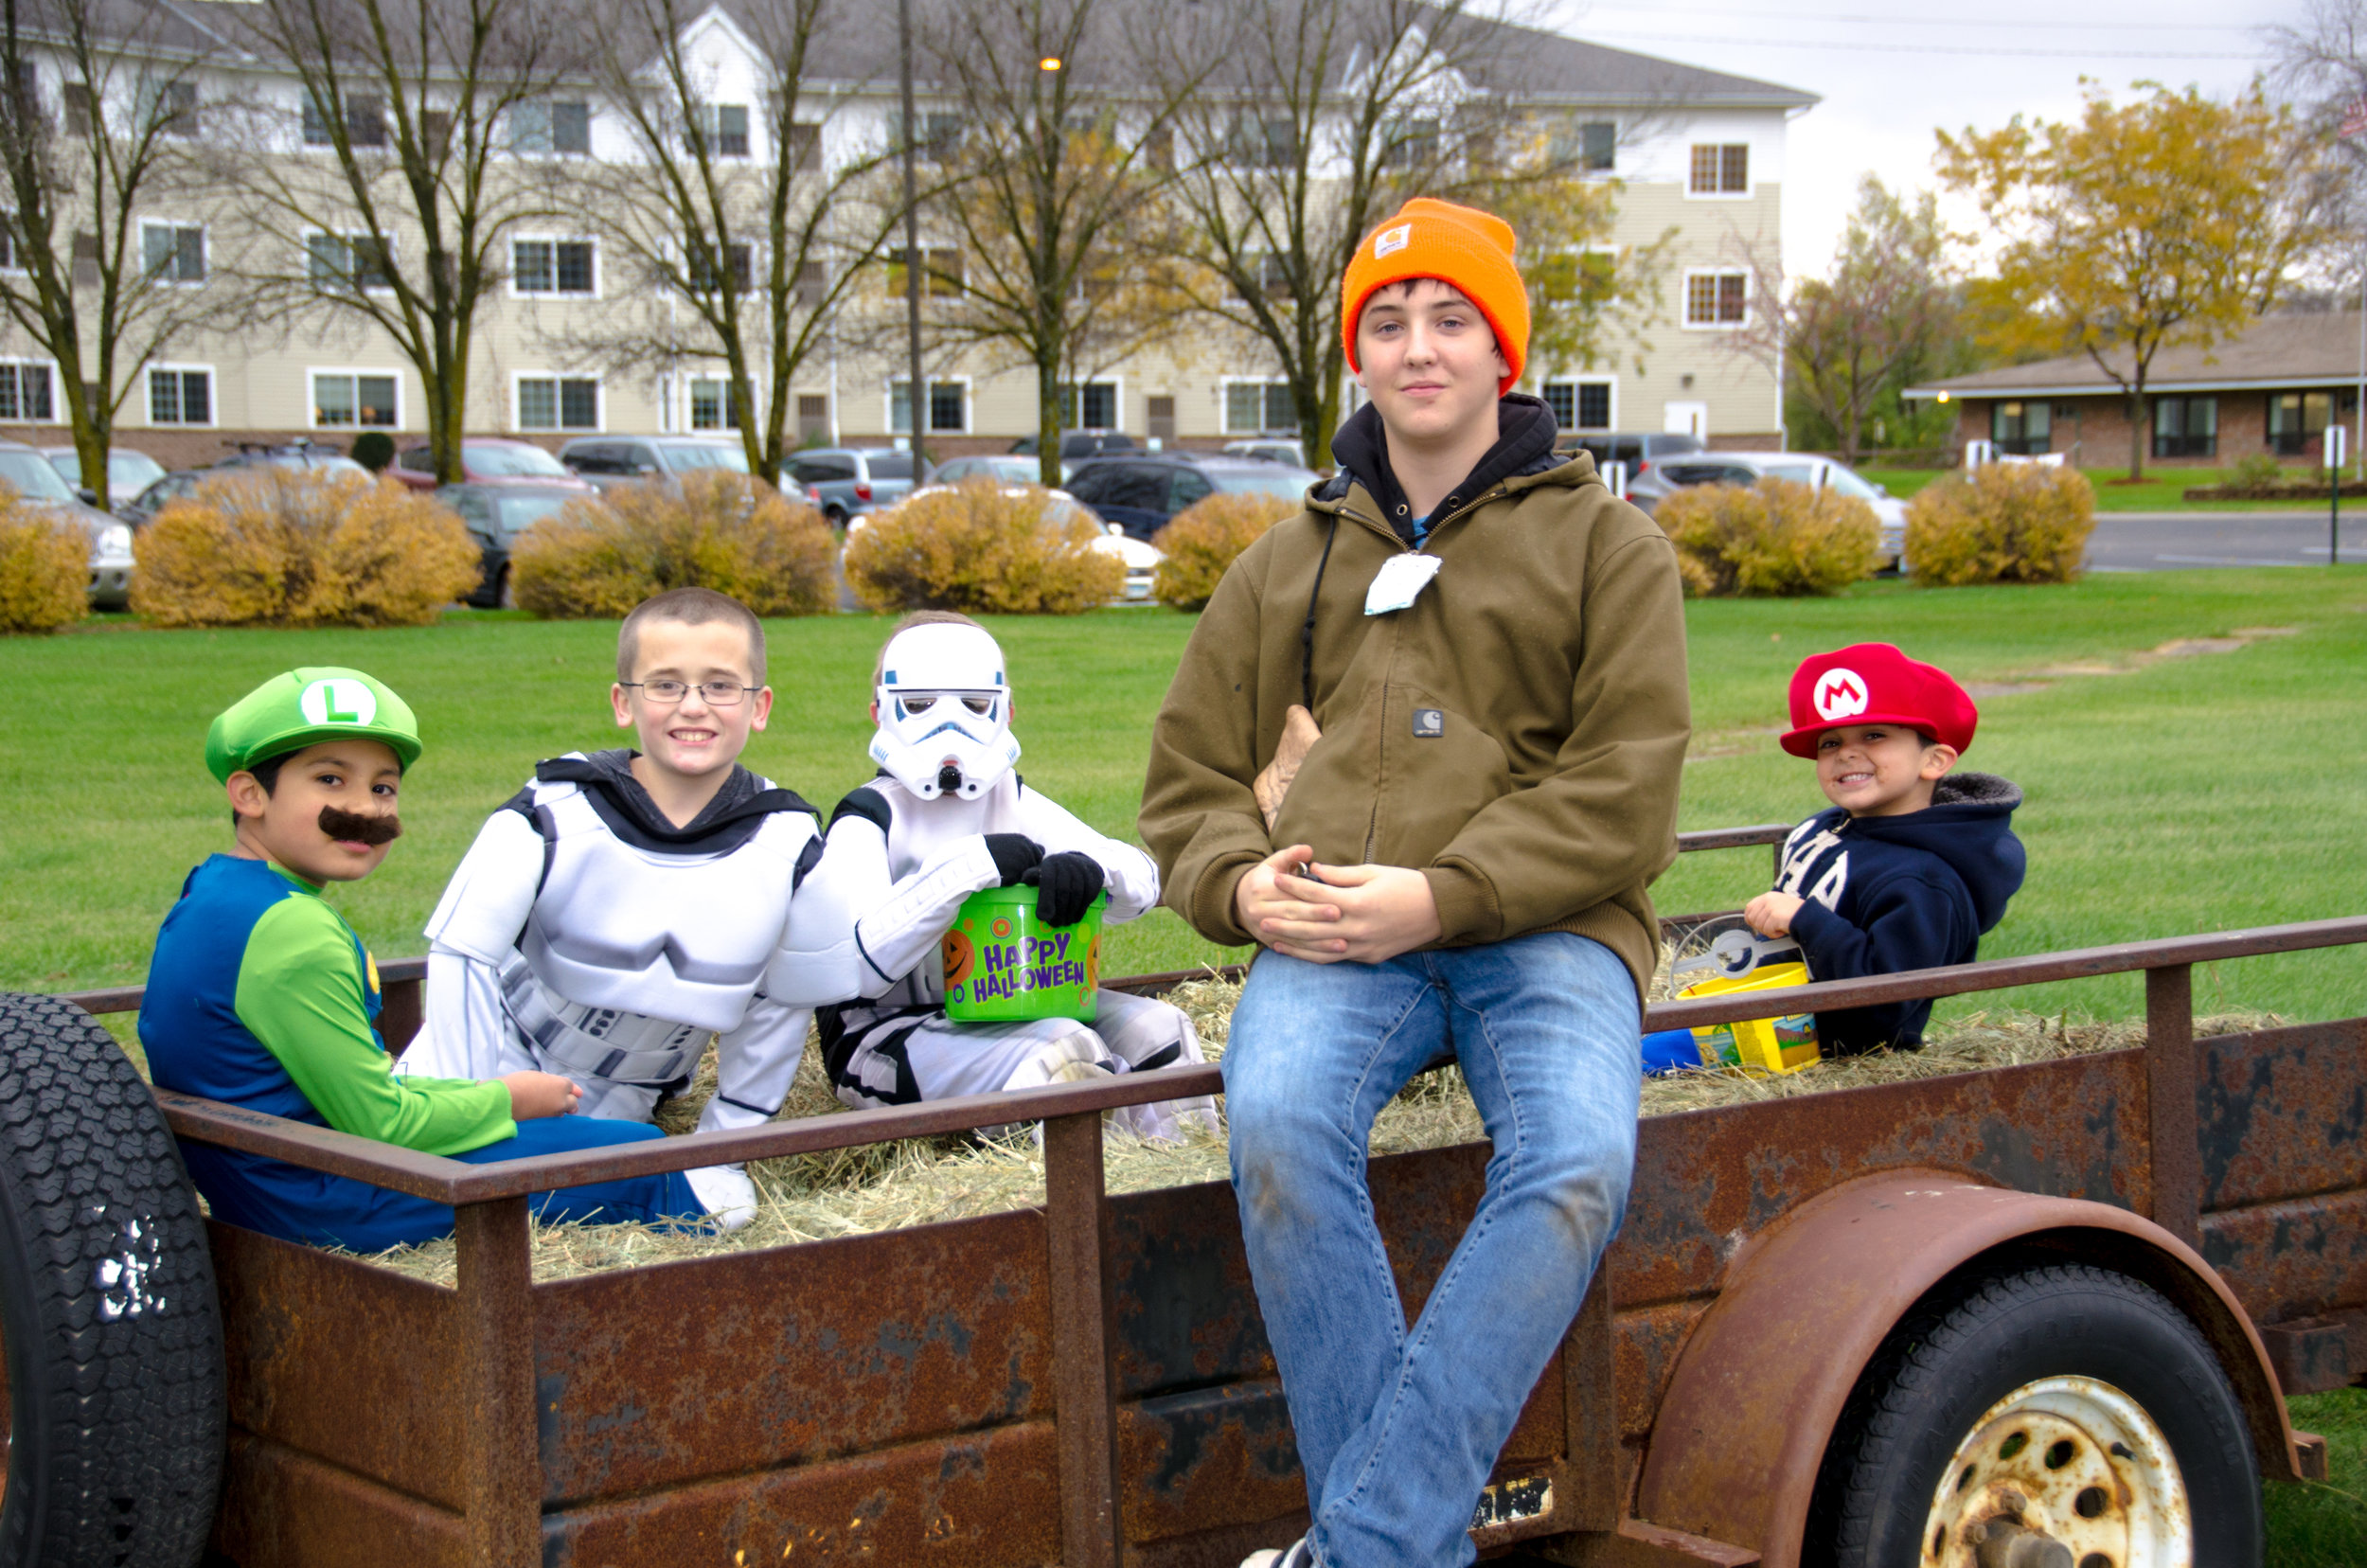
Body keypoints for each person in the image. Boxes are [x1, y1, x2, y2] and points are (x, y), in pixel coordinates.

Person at [1138, 198, 1690, 1568]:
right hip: (1334, 930)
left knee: (1573, 1164)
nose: (1419, 346)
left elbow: (1628, 789)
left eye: (1452, 318)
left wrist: (1443, 896)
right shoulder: (1286, 565)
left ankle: (1368, 1547)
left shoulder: (1605, 548)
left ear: (1504, 352)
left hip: (1552, 930)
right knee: (1270, 1129)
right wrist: (1241, 888)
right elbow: (1188, 787)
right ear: (1357, 357)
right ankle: (1399, 1549)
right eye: (1388, 322)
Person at [139, 667, 710, 1253]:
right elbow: (383, 1125)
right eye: (330, 778)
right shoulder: (293, 929)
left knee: (587, 1133)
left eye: (383, 788)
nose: (363, 807)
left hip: (267, 1180)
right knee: (638, 1157)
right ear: (249, 793)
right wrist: (510, 1099)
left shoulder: (216, 892)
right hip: (331, 1201)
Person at [396, 588, 870, 1228]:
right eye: (665, 684)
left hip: (622, 1100)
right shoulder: (549, 811)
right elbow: (462, 957)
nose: (694, 706)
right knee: (399, 1194)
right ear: (624, 702)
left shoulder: (790, 847)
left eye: (720, 686)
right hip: (488, 1064)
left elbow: (781, 1006)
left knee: (712, 1213)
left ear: (759, 707)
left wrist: (724, 1147)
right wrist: (463, 1109)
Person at [815, 612, 1215, 1141]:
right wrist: (968, 869)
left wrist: (1094, 873)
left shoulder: (1011, 798)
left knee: (1160, 1031)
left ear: (1006, 710)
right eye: (919, 705)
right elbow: (857, 966)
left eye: (974, 705)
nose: (948, 727)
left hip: (1004, 1001)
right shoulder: (870, 817)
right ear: (880, 713)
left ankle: (1176, 1187)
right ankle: (1091, 1203)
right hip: (883, 1035)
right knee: (1063, 1056)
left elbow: (1143, 880)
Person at [1740, 642, 2026, 1055]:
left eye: (1874, 736)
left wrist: (1806, 919)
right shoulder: (1822, 829)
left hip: (1829, 1054)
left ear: (1935, 761)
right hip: (1763, 1021)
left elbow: (1885, 1008)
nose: (1847, 753)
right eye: (1829, 742)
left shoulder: (1923, 879)